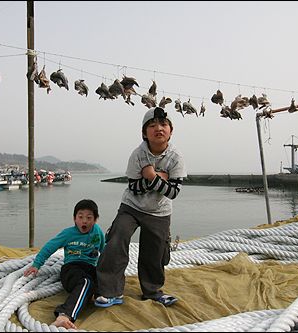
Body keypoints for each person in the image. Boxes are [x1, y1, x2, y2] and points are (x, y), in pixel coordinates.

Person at [95, 106, 187, 308]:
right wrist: (159, 179)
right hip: (132, 207)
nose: (159, 129)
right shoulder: (138, 155)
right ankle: (110, 291)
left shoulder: (176, 158)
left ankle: (153, 292)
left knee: (154, 251)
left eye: (164, 124)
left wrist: (151, 176)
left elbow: (173, 192)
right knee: (117, 237)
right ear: (145, 133)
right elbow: (133, 187)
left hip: (160, 211)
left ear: (171, 131)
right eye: (152, 126)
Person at [24, 199, 105, 329]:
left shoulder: (97, 232)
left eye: (89, 218)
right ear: (74, 218)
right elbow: (50, 246)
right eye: (80, 217)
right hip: (72, 268)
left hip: (90, 267)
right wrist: (36, 264)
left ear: (95, 220)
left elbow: (104, 249)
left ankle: (94, 295)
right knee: (86, 282)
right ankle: (64, 315)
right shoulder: (68, 233)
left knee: (104, 278)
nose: (84, 221)